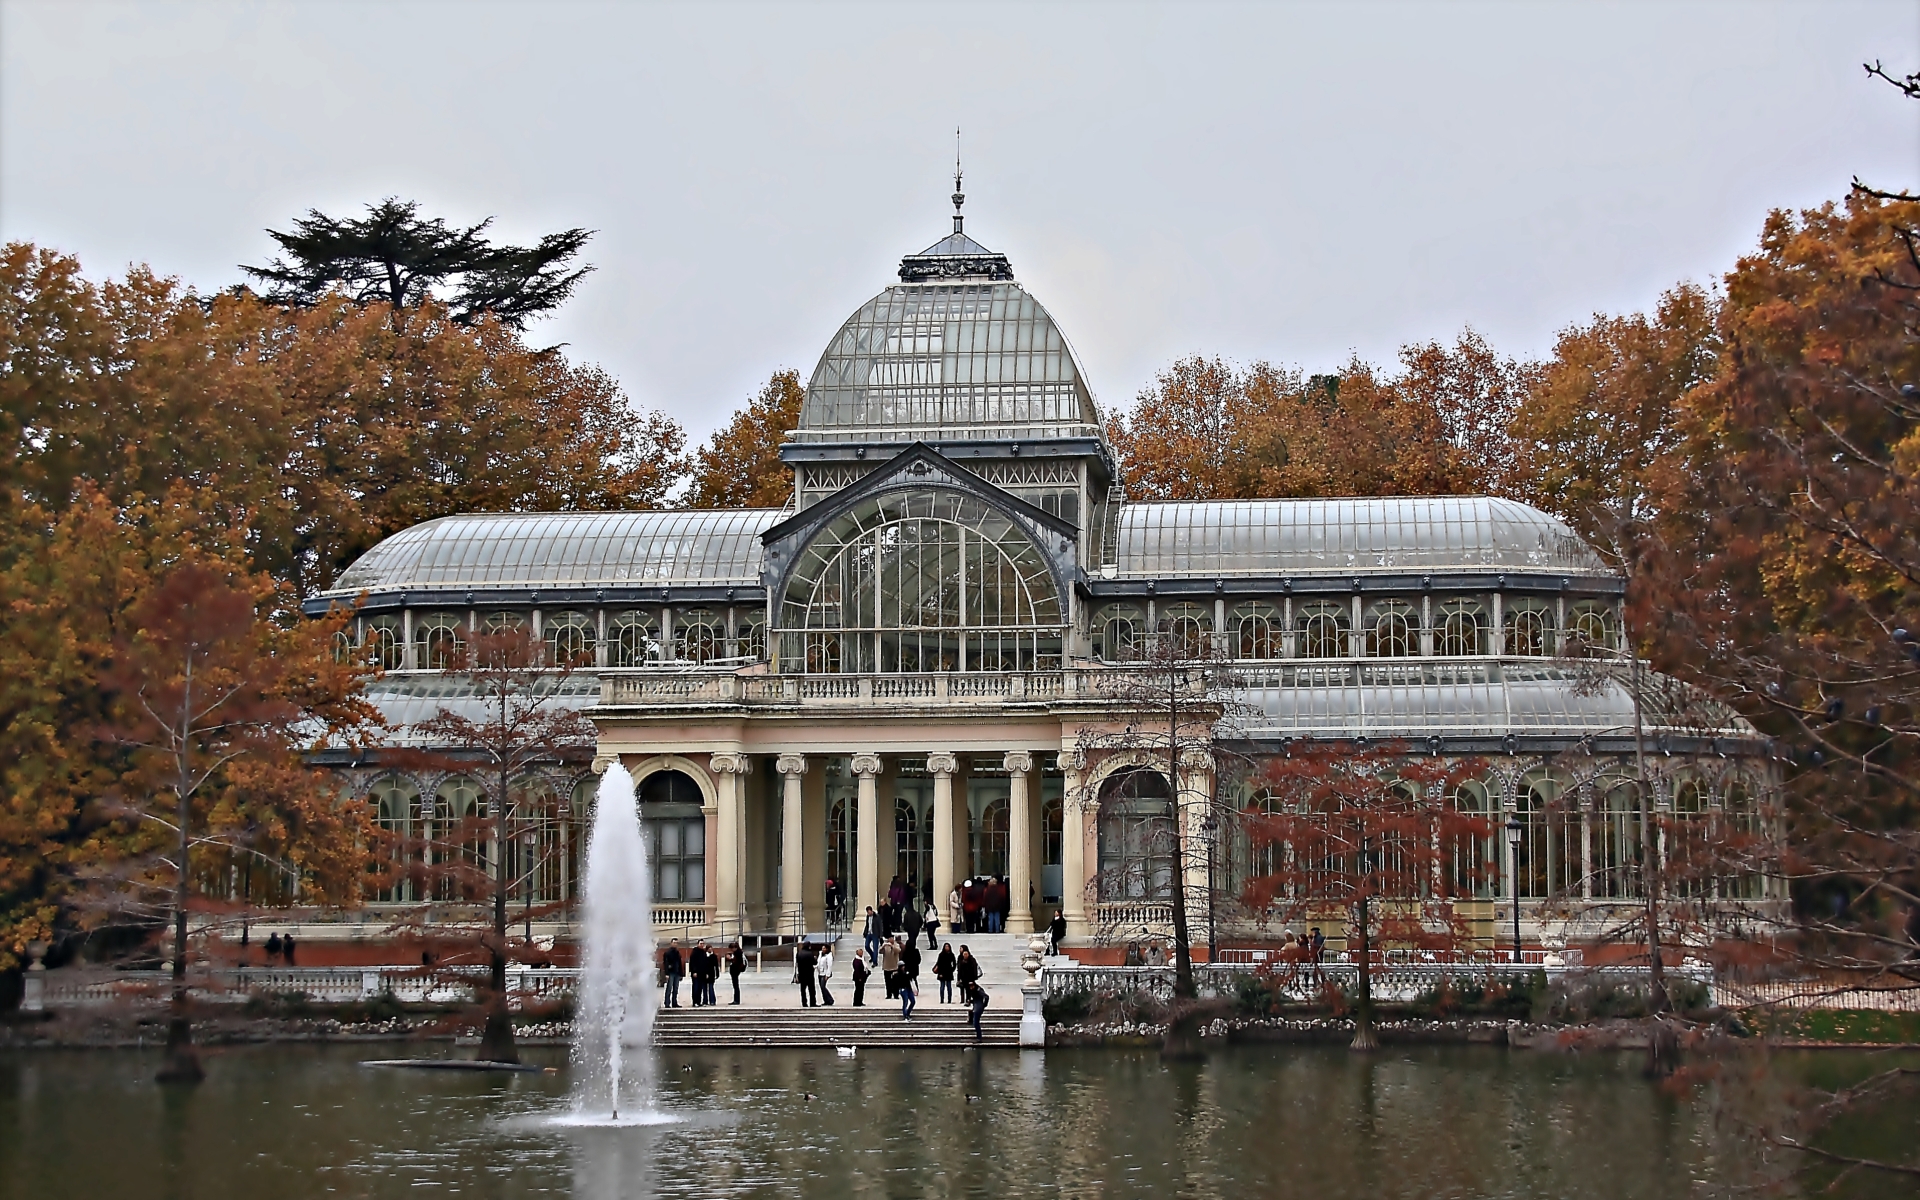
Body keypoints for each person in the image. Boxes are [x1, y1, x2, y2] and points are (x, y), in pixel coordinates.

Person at [662, 940, 684, 1008]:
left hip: (677, 972)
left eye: (676, 943)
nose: (675, 944)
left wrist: (681, 973)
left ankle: (674, 1002)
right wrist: (667, 973)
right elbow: (665, 963)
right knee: (669, 988)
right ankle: (667, 1002)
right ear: (671, 943)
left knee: (675, 989)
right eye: (674, 943)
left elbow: (680, 963)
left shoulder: (677, 952)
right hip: (671, 972)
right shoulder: (667, 953)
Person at [795, 941, 818, 1008]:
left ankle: (804, 1003)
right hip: (809, 974)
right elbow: (814, 963)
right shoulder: (810, 953)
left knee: (803, 990)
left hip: (801, 974)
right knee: (811, 989)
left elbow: (797, 963)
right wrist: (815, 958)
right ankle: (812, 1003)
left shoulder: (799, 953)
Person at [880, 935, 902, 1000]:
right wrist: (883, 946)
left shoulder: (896, 945)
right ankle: (888, 994)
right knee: (887, 982)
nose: (890, 939)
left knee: (895, 982)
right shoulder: (885, 945)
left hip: (894, 967)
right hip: (886, 966)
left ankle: (896, 994)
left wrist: (892, 946)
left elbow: (898, 950)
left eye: (892, 938)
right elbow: (880, 951)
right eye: (889, 938)